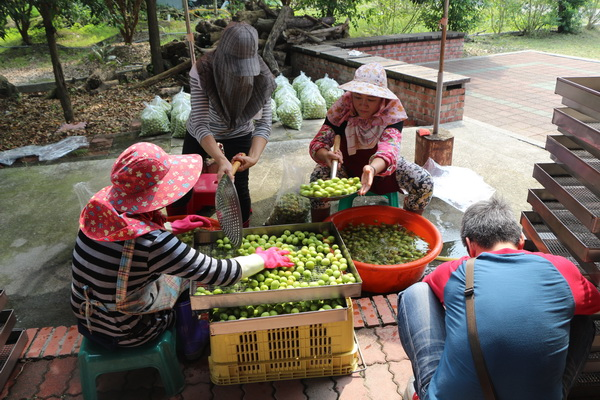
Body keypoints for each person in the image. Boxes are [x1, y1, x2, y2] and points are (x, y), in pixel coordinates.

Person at [71, 142, 293, 360]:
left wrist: (174, 226)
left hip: (89, 318)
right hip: (128, 331)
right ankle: (192, 343)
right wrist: (263, 258)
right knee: (189, 279)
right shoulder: (154, 243)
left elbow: (126, 239)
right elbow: (219, 273)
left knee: (178, 268)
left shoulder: (100, 212)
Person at [396, 195, 600, 400]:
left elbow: (429, 290)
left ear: (469, 245)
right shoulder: (560, 268)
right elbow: (594, 304)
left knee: (416, 294)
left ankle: (426, 391)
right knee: (582, 321)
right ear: (521, 240)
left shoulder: (456, 270)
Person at [176, 21, 276, 227]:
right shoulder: (203, 70)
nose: (240, 75)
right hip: (201, 133)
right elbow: (200, 123)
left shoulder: (262, 77)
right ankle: (178, 230)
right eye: (235, 69)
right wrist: (220, 159)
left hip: (239, 134)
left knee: (238, 189)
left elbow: (264, 124)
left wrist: (253, 156)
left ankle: (241, 230)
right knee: (183, 185)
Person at [308, 62, 433, 222]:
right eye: (357, 97)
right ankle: (320, 229)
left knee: (423, 182)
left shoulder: (392, 113)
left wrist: (372, 169)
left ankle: (406, 226)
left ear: (382, 99)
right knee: (317, 179)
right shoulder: (342, 109)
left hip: (386, 170)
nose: (362, 104)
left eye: (371, 99)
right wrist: (326, 156)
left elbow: (389, 149)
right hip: (347, 168)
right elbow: (319, 141)